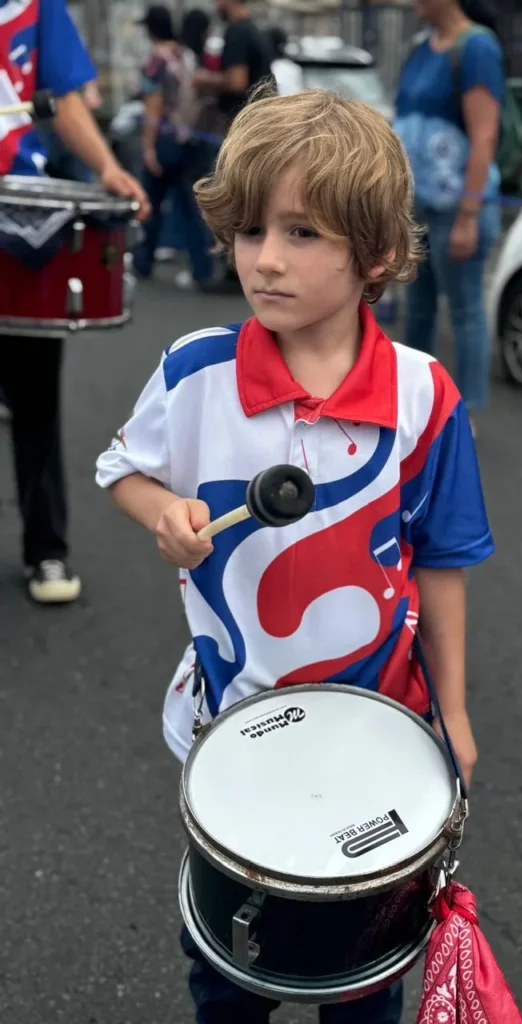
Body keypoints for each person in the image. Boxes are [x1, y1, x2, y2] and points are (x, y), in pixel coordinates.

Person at [95, 85, 493, 1023]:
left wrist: (457, 713)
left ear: (379, 255)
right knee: (230, 968)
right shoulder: (197, 372)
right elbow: (122, 466)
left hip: (376, 728)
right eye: (249, 231)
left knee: (364, 974)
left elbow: (441, 560)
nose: (264, 260)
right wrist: (161, 511)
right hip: (230, 722)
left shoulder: (422, 395)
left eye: (303, 233)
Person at [0, 0, 147, 604]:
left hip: (16, 210)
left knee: (34, 392)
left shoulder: (34, 7)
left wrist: (108, 168)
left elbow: (59, 98)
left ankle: (47, 550)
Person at [394, 0, 504, 432]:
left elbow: (485, 134)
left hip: (456, 208)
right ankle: (416, 404)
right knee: (417, 307)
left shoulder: (476, 47)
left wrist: (469, 214)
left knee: (464, 308)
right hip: (418, 207)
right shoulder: (422, 47)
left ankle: (465, 412)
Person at [132, 5, 218, 290]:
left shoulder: (155, 61)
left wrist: (147, 147)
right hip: (191, 139)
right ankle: (202, 269)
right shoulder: (188, 56)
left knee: (150, 204)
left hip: (165, 140)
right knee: (191, 207)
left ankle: (142, 263)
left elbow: (153, 106)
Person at [194, 0, 273, 125]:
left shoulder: (237, 31)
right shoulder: (252, 29)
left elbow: (236, 82)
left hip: (244, 122)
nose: (216, 5)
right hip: (259, 119)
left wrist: (204, 79)